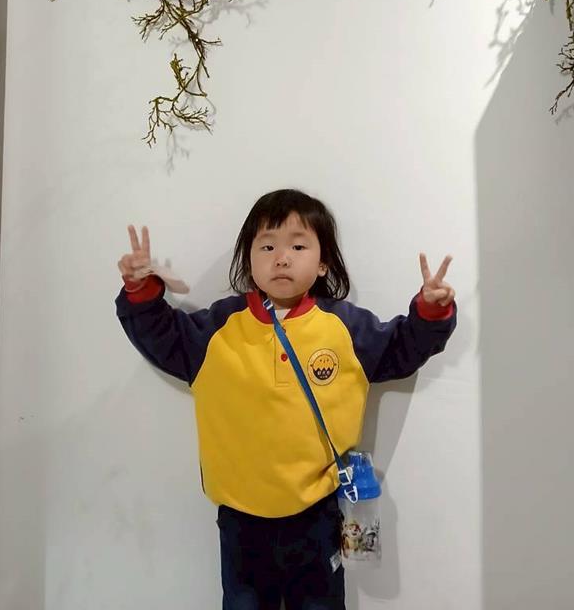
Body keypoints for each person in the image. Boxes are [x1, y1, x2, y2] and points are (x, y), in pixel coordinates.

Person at [116, 188, 456, 610]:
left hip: (318, 514)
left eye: (298, 246)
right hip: (240, 518)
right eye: (267, 246)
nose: (281, 258)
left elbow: (402, 348)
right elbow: (162, 337)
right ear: (249, 261)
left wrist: (430, 311)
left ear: (323, 262)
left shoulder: (345, 328)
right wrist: (141, 291)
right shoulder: (218, 329)